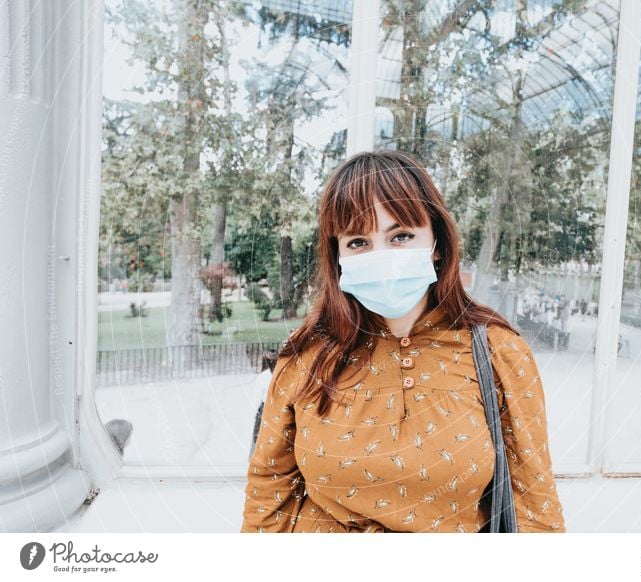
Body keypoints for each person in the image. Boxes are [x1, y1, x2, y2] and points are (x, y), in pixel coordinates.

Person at [240, 150, 566, 533]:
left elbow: (534, 503)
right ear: (338, 255)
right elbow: (269, 493)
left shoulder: (499, 352)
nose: (382, 255)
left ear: (438, 243)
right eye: (359, 242)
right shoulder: (307, 354)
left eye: (401, 236)